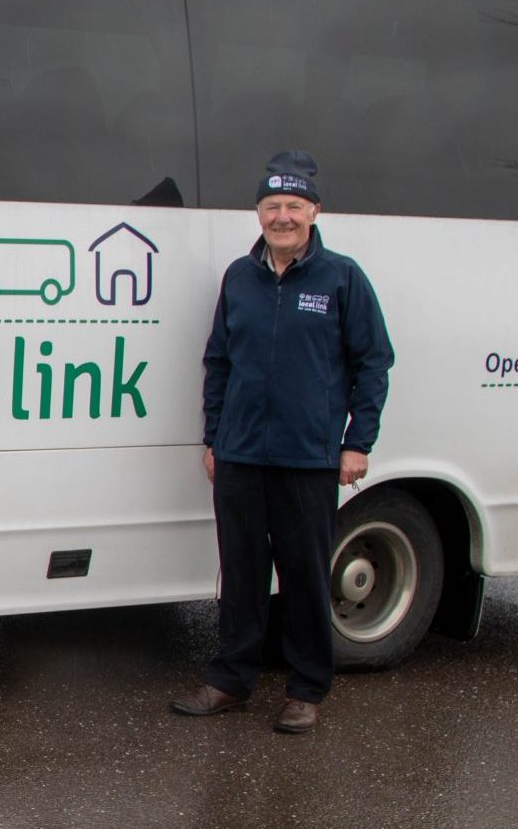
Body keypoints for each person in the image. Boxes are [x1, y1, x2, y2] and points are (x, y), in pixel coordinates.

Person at [173, 150, 393, 735]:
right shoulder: (239, 278)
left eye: (295, 205)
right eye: (272, 206)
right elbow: (218, 361)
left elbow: (373, 363)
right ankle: (230, 681)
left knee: (302, 577)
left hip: (309, 456)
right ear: (259, 214)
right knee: (241, 575)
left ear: (315, 211)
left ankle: (305, 689)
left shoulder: (342, 278)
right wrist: (214, 436)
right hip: (241, 453)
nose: (283, 216)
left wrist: (357, 442)